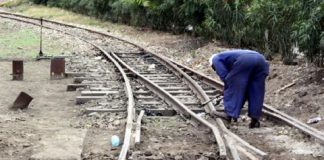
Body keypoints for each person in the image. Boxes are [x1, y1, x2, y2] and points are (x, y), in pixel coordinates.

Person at [209, 49, 269, 128]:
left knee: (233, 84)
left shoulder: (215, 59)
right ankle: (255, 119)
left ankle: (229, 115)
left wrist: (227, 89)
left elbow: (226, 78)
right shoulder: (228, 57)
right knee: (256, 90)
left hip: (246, 60)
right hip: (261, 60)